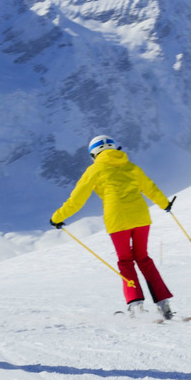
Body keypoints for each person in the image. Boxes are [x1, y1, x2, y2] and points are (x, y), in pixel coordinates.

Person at [49, 135, 176, 319]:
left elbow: (76, 200)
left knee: (125, 261)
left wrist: (57, 217)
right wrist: (165, 204)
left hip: (117, 220)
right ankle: (164, 305)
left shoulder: (94, 170)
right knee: (143, 258)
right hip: (140, 217)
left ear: (93, 154)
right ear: (115, 148)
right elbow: (150, 188)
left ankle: (136, 306)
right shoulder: (130, 166)